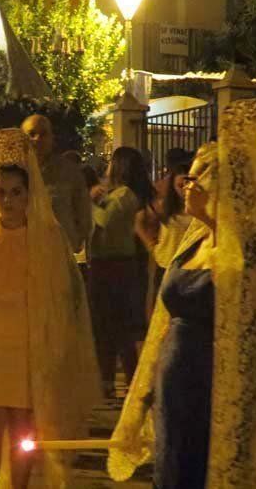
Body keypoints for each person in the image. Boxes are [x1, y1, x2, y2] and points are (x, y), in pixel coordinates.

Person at [109, 99, 256, 489]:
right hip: (176, 383)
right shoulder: (193, 241)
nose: (187, 183)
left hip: (219, 388)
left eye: (199, 177)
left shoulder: (255, 250)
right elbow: (165, 317)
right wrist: (148, 382)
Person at [0, 128, 101, 489]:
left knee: (22, 428)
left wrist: (56, 342)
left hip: (29, 342)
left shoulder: (48, 237)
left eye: (16, 192)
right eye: (1, 192)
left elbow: (64, 295)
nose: (8, 200)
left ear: (29, 194)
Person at [90, 147, 155, 399]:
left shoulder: (126, 195)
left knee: (119, 326)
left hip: (116, 264)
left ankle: (129, 381)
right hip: (104, 262)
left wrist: (90, 202)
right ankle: (107, 380)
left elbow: (106, 220)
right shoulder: (115, 193)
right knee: (104, 325)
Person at [21, 114, 92, 254]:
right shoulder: (14, 173)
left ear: (52, 138)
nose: (37, 139)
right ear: (22, 138)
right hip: (22, 254)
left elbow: (83, 214)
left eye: (44, 134)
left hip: (60, 253)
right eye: (32, 133)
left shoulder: (69, 172)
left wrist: (75, 240)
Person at [135, 161, 193, 313]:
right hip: (166, 261)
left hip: (190, 264)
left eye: (188, 183)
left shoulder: (198, 205)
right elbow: (139, 221)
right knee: (160, 307)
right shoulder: (164, 205)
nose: (185, 189)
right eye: (180, 185)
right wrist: (150, 245)